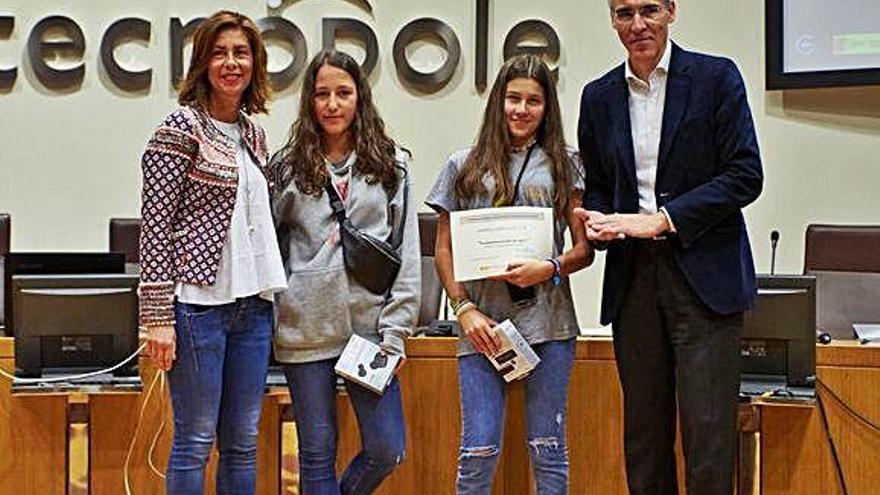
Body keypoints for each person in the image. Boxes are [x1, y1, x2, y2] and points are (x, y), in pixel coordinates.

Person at [575, 1, 764, 494]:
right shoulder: (597, 97)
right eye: (623, 13)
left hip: (704, 279)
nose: (637, 25)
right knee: (643, 441)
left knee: (708, 441)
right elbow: (598, 183)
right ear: (612, 20)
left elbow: (745, 174)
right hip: (632, 279)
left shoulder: (716, 78)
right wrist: (596, 219)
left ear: (671, 11)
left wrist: (663, 220)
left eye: (649, 9)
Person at [426, 54, 593, 495]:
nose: (521, 110)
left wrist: (550, 267)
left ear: (547, 107)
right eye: (513, 98)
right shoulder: (462, 164)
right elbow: (442, 248)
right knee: (478, 451)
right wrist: (463, 310)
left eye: (533, 101)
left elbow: (583, 251)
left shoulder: (566, 164)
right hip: (482, 328)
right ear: (498, 101)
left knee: (548, 448)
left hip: (550, 325)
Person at [137, 10, 286, 495]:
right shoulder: (180, 127)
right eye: (219, 53)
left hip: (253, 308)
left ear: (254, 63)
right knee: (195, 440)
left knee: (243, 441)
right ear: (202, 62)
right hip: (198, 308)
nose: (230, 63)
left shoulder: (255, 135)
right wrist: (157, 317)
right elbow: (155, 226)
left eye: (241, 53)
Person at [269, 49, 420, 495]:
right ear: (309, 102)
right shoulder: (286, 167)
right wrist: (277, 313)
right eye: (322, 94)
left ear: (360, 98)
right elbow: (270, 250)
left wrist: (396, 333)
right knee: (316, 456)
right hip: (305, 331)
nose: (332, 104)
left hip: (368, 334)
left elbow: (407, 252)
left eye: (343, 93)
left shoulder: (392, 165)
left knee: (386, 448)